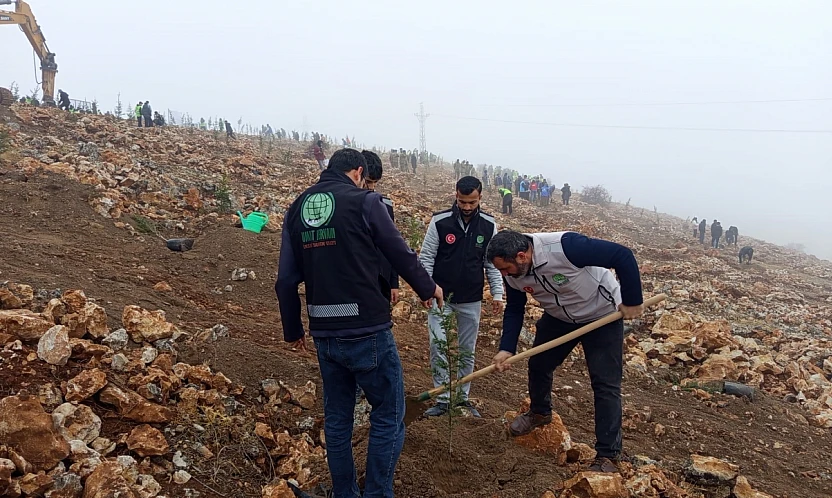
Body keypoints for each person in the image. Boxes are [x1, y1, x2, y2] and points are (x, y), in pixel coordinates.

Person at [276, 149, 443, 498]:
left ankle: (345, 493)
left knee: (338, 420)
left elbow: (286, 280)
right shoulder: (365, 201)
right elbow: (398, 251)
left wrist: (293, 329)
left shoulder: (297, 208)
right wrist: (427, 288)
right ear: (357, 172)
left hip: (324, 333)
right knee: (388, 415)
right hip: (367, 329)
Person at [487, 230, 644, 473]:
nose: (503, 275)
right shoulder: (513, 274)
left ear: (521, 256)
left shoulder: (566, 247)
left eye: (506, 269)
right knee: (539, 364)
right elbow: (515, 309)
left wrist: (632, 299)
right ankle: (540, 413)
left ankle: (608, 455)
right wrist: (506, 348)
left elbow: (622, 255)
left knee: (605, 384)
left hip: (601, 315)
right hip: (559, 317)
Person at [419, 176, 503, 417]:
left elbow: (491, 263)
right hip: (440, 297)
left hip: (471, 298)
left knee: (467, 349)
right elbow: (426, 258)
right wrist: (426, 288)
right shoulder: (440, 222)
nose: (467, 207)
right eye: (462, 201)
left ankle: (462, 398)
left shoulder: (488, 225)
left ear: (480, 198)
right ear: (456, 195)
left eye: (472, 202)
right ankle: (443, 398)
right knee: (438, 344)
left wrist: (497, 293)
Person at [362, 150, 399, 304]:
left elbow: (392, 245)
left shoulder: (385, 205)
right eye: (368, 181)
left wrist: (393, 283)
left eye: (375, 182)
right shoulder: (345, 206)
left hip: (382, 280)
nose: (371, 187)